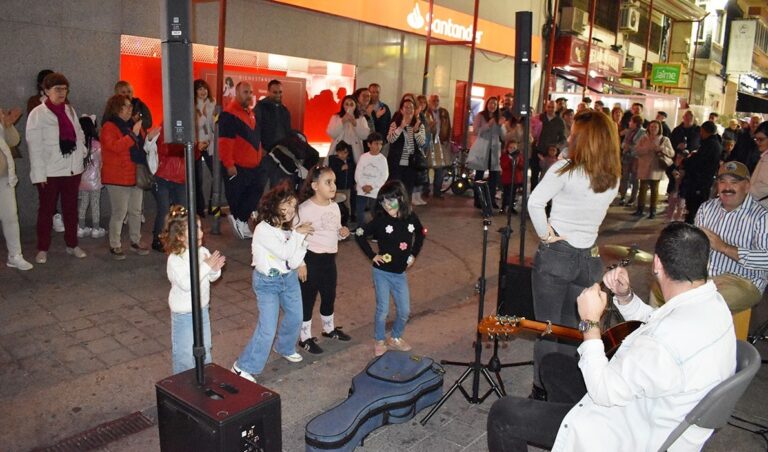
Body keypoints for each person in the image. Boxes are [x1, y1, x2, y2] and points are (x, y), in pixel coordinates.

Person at [487, 222, 737, 452]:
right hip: (656, 409)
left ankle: (577, 435)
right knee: (553, 365)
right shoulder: (713, 304)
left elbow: (603, 391)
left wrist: (590, 322)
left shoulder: (662, 344)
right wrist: (625, 297)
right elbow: (656, 320)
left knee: (503, 413)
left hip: (631, 432)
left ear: (657, 264)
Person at [526, 110, 621, 398]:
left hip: (558, 255)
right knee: (573, 329)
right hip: (590, 259)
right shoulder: (612, 177)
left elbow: (534, 203)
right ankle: (564, 389)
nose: (568, 137)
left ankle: (542, 390)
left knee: (548, 328)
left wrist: (546, 236)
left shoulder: (565, 169)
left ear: (584, 138)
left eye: (573, 133)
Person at [231, 181, 314, 383]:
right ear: (274, 205)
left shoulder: (289, 229)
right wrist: (298, 236)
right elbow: (285, 252)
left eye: (294, 206)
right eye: (287, 205)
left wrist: (301, 251)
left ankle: (284, 347)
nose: (291, 210)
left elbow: (292, 259)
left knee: (296, 316)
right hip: (267, 282)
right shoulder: (263, 229)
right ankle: (242, 366)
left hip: (288, 278)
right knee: (267, 328)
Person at [354, 180, 425, 356]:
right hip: (382, 272)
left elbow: (421, 233)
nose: (387, 205)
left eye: (390, 200)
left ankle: (395, 337)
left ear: (401, 198)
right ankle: (379, 339)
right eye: (383, 201)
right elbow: (360, 234)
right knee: (383, 309)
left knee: (404, 310)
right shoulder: (380, 221)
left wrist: (413, 255)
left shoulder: (410, 217)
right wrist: (372, 256)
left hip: (400, 274)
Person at [26, 72, 89, 264]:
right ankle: (42, 248)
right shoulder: (38, 113)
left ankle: (72, 244)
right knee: (46, 211)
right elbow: (34, 147)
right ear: (46, 91)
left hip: (71, 170)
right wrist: (39, 175)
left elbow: (79, 133)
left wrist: (82, 151)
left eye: (65, 89)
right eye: (57, 89)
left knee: (71, 209)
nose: (62, 92)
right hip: (49, 172)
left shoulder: (70, 110)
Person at [694, 161, 768, 315]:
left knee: (704, 306)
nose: (727, 187)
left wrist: (724, 247)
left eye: (734, 182)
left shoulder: (762, 216)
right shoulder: (706, 208)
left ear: (747, 186)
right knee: (661, 289)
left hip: (743, 281)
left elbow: (766, 259)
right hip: (705, 276)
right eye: (722, 182)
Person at [161, 205, 225, 374]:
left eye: (200, 228)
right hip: (184, 314)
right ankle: (183, 384)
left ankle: (205, 377)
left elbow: (210, 277)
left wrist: (215, 269)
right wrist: (206, 266)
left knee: (205, 347)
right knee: (185, 354)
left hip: (202, 310)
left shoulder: (202, 251)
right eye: (194, 229)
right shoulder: (175, 259)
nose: (201, 233)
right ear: (179, 236)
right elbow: (187, 284)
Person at [296, 166, 351, 354]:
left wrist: (342, 233)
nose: (333, 186)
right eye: (328, 182)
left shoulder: (334, 206)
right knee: (308, 299)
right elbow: (295, 238)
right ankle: (304, 337)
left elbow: (335, 231)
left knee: (329, 295)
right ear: (314, 186)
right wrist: (300, 264)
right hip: (311, 260)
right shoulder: (304, 209)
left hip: (329, 260)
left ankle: (328, 329)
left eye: (334, 181)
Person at [100, 94, 159, 260]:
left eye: (130, 107)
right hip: (117, 176)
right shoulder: (109, 127)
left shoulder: (133, 125)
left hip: (135, 174)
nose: (129, 109)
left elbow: (141, 147)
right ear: (116, 108)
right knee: (119, 212)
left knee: (136, 211)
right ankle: (115, 244)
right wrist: (133, 135)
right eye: (126, 106)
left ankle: (135, 241)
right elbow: (114, 147)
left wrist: (148, 137)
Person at [219, 81, 265, 240]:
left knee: (254, 192)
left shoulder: (250, 113)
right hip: (238, 166)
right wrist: (229, 164)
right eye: (245, 92)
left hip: (253, 165)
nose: (249, 95)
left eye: (251, 92)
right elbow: (225, 143)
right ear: (236, 93)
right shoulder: (229, 114)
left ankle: (241, 220)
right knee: (238, 196)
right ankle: (240, 220)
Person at [0, 106, 33, 270]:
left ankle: (15, 255)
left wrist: (7, 125)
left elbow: (13, 141)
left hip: (4, 177)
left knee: (10, 217)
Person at [149, 130, 188, 252]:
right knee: (164, 210)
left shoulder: (186, 131)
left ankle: (180, 237)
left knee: (182, 209)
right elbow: (166, 150)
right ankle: (158, 239)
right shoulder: (163, 131)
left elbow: (193, 154)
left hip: (179, 177)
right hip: (164, 176)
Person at [467, 96, 504, 209]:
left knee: (494, 177)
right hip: (482, 149)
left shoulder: (499, 118)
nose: (492, 106)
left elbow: (503, 136)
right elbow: (475, 131)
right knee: (479, 175)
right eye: (491, 103)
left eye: (495, 104)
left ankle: (491, 200)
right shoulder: (481, 115)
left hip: (494, 150)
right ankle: (478, 200)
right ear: (487, 104)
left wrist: (501, 126)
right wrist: (488, 125)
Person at [682, 121, 722, 224]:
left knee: (694, 208)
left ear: (704, 131)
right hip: (702, 180)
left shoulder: (710, 145)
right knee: (693, 207)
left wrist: (688, 160)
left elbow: (700, 162)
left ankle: (691, 227)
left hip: (700, 181)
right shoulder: (713, 143)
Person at [633, 119, 674, 219]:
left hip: (656, 168)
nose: (653, 129)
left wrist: (662, 148)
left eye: (655, 127)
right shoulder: (644, 138)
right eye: (651, 127)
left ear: (659, 128)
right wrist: (647, 149)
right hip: (644, 166)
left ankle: (653, 210)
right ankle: (640, 209)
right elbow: (636, 150)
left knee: (654, 189)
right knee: (642, 188)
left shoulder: (664, 139)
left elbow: (672, 153)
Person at [386, 97, 425, 196]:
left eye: (411, 107)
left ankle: (406, 206)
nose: (409, 110)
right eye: (406, 107)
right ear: (401, 110)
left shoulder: (419, 124)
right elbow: (390, 139)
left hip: (411, 163)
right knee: (395, 189)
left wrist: (416, 131)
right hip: (396, 162)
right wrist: (401, 127)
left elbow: (422, 143)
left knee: (407, 190)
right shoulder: (395, 123)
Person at [76, 116, 106, 239]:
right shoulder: (98, 145)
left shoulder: (79, 144)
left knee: (83, 204)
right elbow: (102, 162)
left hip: (82, 181)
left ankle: (81, 227)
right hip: (95, 181)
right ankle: (96, 229)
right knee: (95, 204)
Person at [355, 133, 389, 226]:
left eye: (380, 144)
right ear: (369, 144)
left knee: (375, 211)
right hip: (362, 189)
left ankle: (376, 229)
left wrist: (372, 186)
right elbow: (358, 173)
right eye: (376, 143)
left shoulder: (382, 159)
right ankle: (361, 229)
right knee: (359, 211)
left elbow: (384, 176)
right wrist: (363, 185)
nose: (379, 146)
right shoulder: (363, 157)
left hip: (375, 190)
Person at [194, 78, 216, 217]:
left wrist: (211, 116)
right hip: (197, 145)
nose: (203, 91)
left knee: (217, 174)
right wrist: (202, 114)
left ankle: (214, 207)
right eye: (200, 89)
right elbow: (196, 125)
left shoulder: (212, 104)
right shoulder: (192, 106)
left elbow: (214, 126)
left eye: (205, 88)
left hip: (209, 144)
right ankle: (199, 209)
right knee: (198, 178)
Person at [533, 100, 567, 190]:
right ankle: (534, 193)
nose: (550, 109)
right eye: (549, 107)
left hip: (551, 153)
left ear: (556, 108)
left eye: (553, 107)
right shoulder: (539, 118)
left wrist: (556, 147)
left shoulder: (559, 121)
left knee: (549, 175)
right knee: (534, 174)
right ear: (545, 107)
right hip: (538, 149)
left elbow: (563, 138)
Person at [326, 94, 369, 164]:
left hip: (354, 150)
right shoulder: (336, 117)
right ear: (343, 106)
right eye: (346, 104)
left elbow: (365, 136)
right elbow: (331, 133)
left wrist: (355, 123)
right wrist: (342, 121)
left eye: (351, 104)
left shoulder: (361, 118)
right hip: (338, 149)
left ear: (355, 106)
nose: (349, 106)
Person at [425, 94, 451, 199]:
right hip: (428, 142)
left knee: (440, 168)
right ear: (429, 101)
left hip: (440, 142)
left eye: (437, 100)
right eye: (433, 100)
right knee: (426, 167)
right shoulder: (425, 112)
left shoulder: (444, 112)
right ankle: (425, 190)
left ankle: (437, 191)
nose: (435, 102)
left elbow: (449, 126)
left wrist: (448, 139)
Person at [256, 79, 292, 153]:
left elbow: (288, 131)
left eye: (280, 92)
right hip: (265, 152)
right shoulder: (260, 107)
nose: (278, 95)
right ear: (268, 92)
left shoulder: (285, 110)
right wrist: (260, 148)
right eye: (275, 92)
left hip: (281, 151)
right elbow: (255, 130)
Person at [618, 114, 646, 206]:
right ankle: (623, 196)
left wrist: (629, 147)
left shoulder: (643, 132)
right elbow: (623, 143)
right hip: (626, 157)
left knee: (635, 178)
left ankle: (632, 198)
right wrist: (625, 146)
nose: (629, 123)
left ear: (636, 123)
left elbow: (640, 146)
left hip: (636, 158)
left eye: (631, 121)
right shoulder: (629, 131)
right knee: (624, 177)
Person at [327, 141, 354, 226]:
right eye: (340, 153)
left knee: (347, 205)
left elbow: (353, 174)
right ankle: (334, 221)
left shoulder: (350, 161)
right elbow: (330, 173)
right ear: (337, 152)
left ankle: (346, 222)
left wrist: (353, 184)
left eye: (345, 152)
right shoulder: (333, 160)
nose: (343, 155)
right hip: (336, 188)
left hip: (347, 188)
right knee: (335, 204)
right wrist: (340, 169)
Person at [499, 139, 523, 214]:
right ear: (507, 148)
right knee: (506, 193)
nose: (512, 149)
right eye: (510, 147)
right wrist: (509, 160)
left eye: (514, 148)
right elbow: (503, 166)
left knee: (513, 194)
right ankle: (504, 207)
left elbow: (522, 166)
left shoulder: (519, 156)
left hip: (515, 178)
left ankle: (511, 207)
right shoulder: (505, 156)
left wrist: (518, 162)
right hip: (507, 178)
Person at [749, 121, 768, 209]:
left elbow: (764, 186)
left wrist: (744, 193)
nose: (757, 142)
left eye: (761, 139)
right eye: (756, 139)